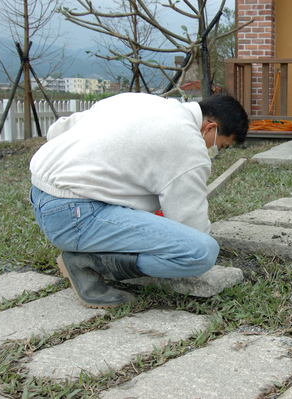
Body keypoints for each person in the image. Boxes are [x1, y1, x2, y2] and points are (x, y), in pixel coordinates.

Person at [29, 93, 249, 309]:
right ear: (210, 128)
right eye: (221, 146)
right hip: (73, 215)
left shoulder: (142, 100)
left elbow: (57, 130)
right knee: (201, 252)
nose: (215, 152)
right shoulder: (189, 146)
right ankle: (87, 262)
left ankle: (86, 244)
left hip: (40, 195)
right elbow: (191, 226)